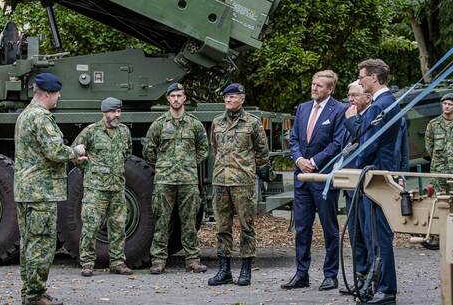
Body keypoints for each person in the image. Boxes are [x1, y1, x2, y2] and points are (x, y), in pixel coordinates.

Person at [14, 72, 87, 305]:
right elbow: (54, 151)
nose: (59, 97)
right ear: (46, 93)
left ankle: (30, 293)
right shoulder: (41, 117)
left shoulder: (25, 115)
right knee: (42, 245)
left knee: (29, 243)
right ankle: (35, 296)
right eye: (56, 93)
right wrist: (77, 152)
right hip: (40, 192)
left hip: (27, 191)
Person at [282, 70, 347, 292]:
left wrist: (314, 161)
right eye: (313, 84)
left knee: (329, 228)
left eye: (319, 85)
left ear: (330, 89)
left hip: (322, 177)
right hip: (301, 177)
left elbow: (337, 143)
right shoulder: (303, 108)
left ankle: (330, 275)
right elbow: (294, 139)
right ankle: (301, 274)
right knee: (302, 228)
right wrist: (299, 159)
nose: (314, 88)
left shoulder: (339, 110)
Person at [207, 83, 272, 287]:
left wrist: (260, 172)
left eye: (233, 97)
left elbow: (262, 152)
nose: (229, 100)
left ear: (242, 99)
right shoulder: (217, 122)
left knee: (246, 226)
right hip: (220, 180)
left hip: (242, 181)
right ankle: (224, 270)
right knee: (222, 227)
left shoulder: (252, 123)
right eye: (226, 97)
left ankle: (246, 269)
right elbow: (215, 148)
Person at [143, 82, 209, 274]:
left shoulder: (194, 124)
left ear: (185, 98)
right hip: (165, 180)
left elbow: (203, 149)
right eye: (173, 96)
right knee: (162, 221)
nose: (176, 99)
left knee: (189, 221)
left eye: (179, 96)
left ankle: (193, 260)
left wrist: (188, 164)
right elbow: (149, 150)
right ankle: (158, 260)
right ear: (168, 99)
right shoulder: (159, 124)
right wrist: (164, 166)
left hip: (188, 180)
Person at [356, 59, 402, 305]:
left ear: (374, 77)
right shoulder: (389, 102)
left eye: (362, 77)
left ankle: (385, 289)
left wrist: (353, 167)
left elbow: (368, 145)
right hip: (384, 173)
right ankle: (379, 286)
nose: (360, 81)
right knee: (376, 234)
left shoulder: (378, 107)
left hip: (375, 178)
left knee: (377, 236)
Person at [72, 97, 133, 277]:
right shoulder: (91, 132)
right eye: (113, 111)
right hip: (95, 189)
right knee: (91, 226)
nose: (117, 115)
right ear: (104, 112)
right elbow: (75, 154)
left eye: (119, 111)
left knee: (118, 226)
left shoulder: (124, 132)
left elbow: (127, 154)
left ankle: (118, 262)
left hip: (117, 188)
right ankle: (87, 263)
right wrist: (90, 170)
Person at [339, 80, 372, 295]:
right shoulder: (350, 116)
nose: (350, 100)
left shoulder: (370, 115)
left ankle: (372, 277)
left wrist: (351, 120)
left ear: (367, 97)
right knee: (355, 233)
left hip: (368, 184)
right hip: (350, 183)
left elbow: (364, 139)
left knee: (369, 233)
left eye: (354, 95)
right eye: (349, 95)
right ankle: (359, 276)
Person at [424, 93, 453, 194]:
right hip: (439, 171)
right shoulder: (433, 124)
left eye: (450, 104)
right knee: (440, 200)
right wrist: (438, 160)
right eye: (445, 103)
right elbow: (429, 146)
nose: (447, 106)